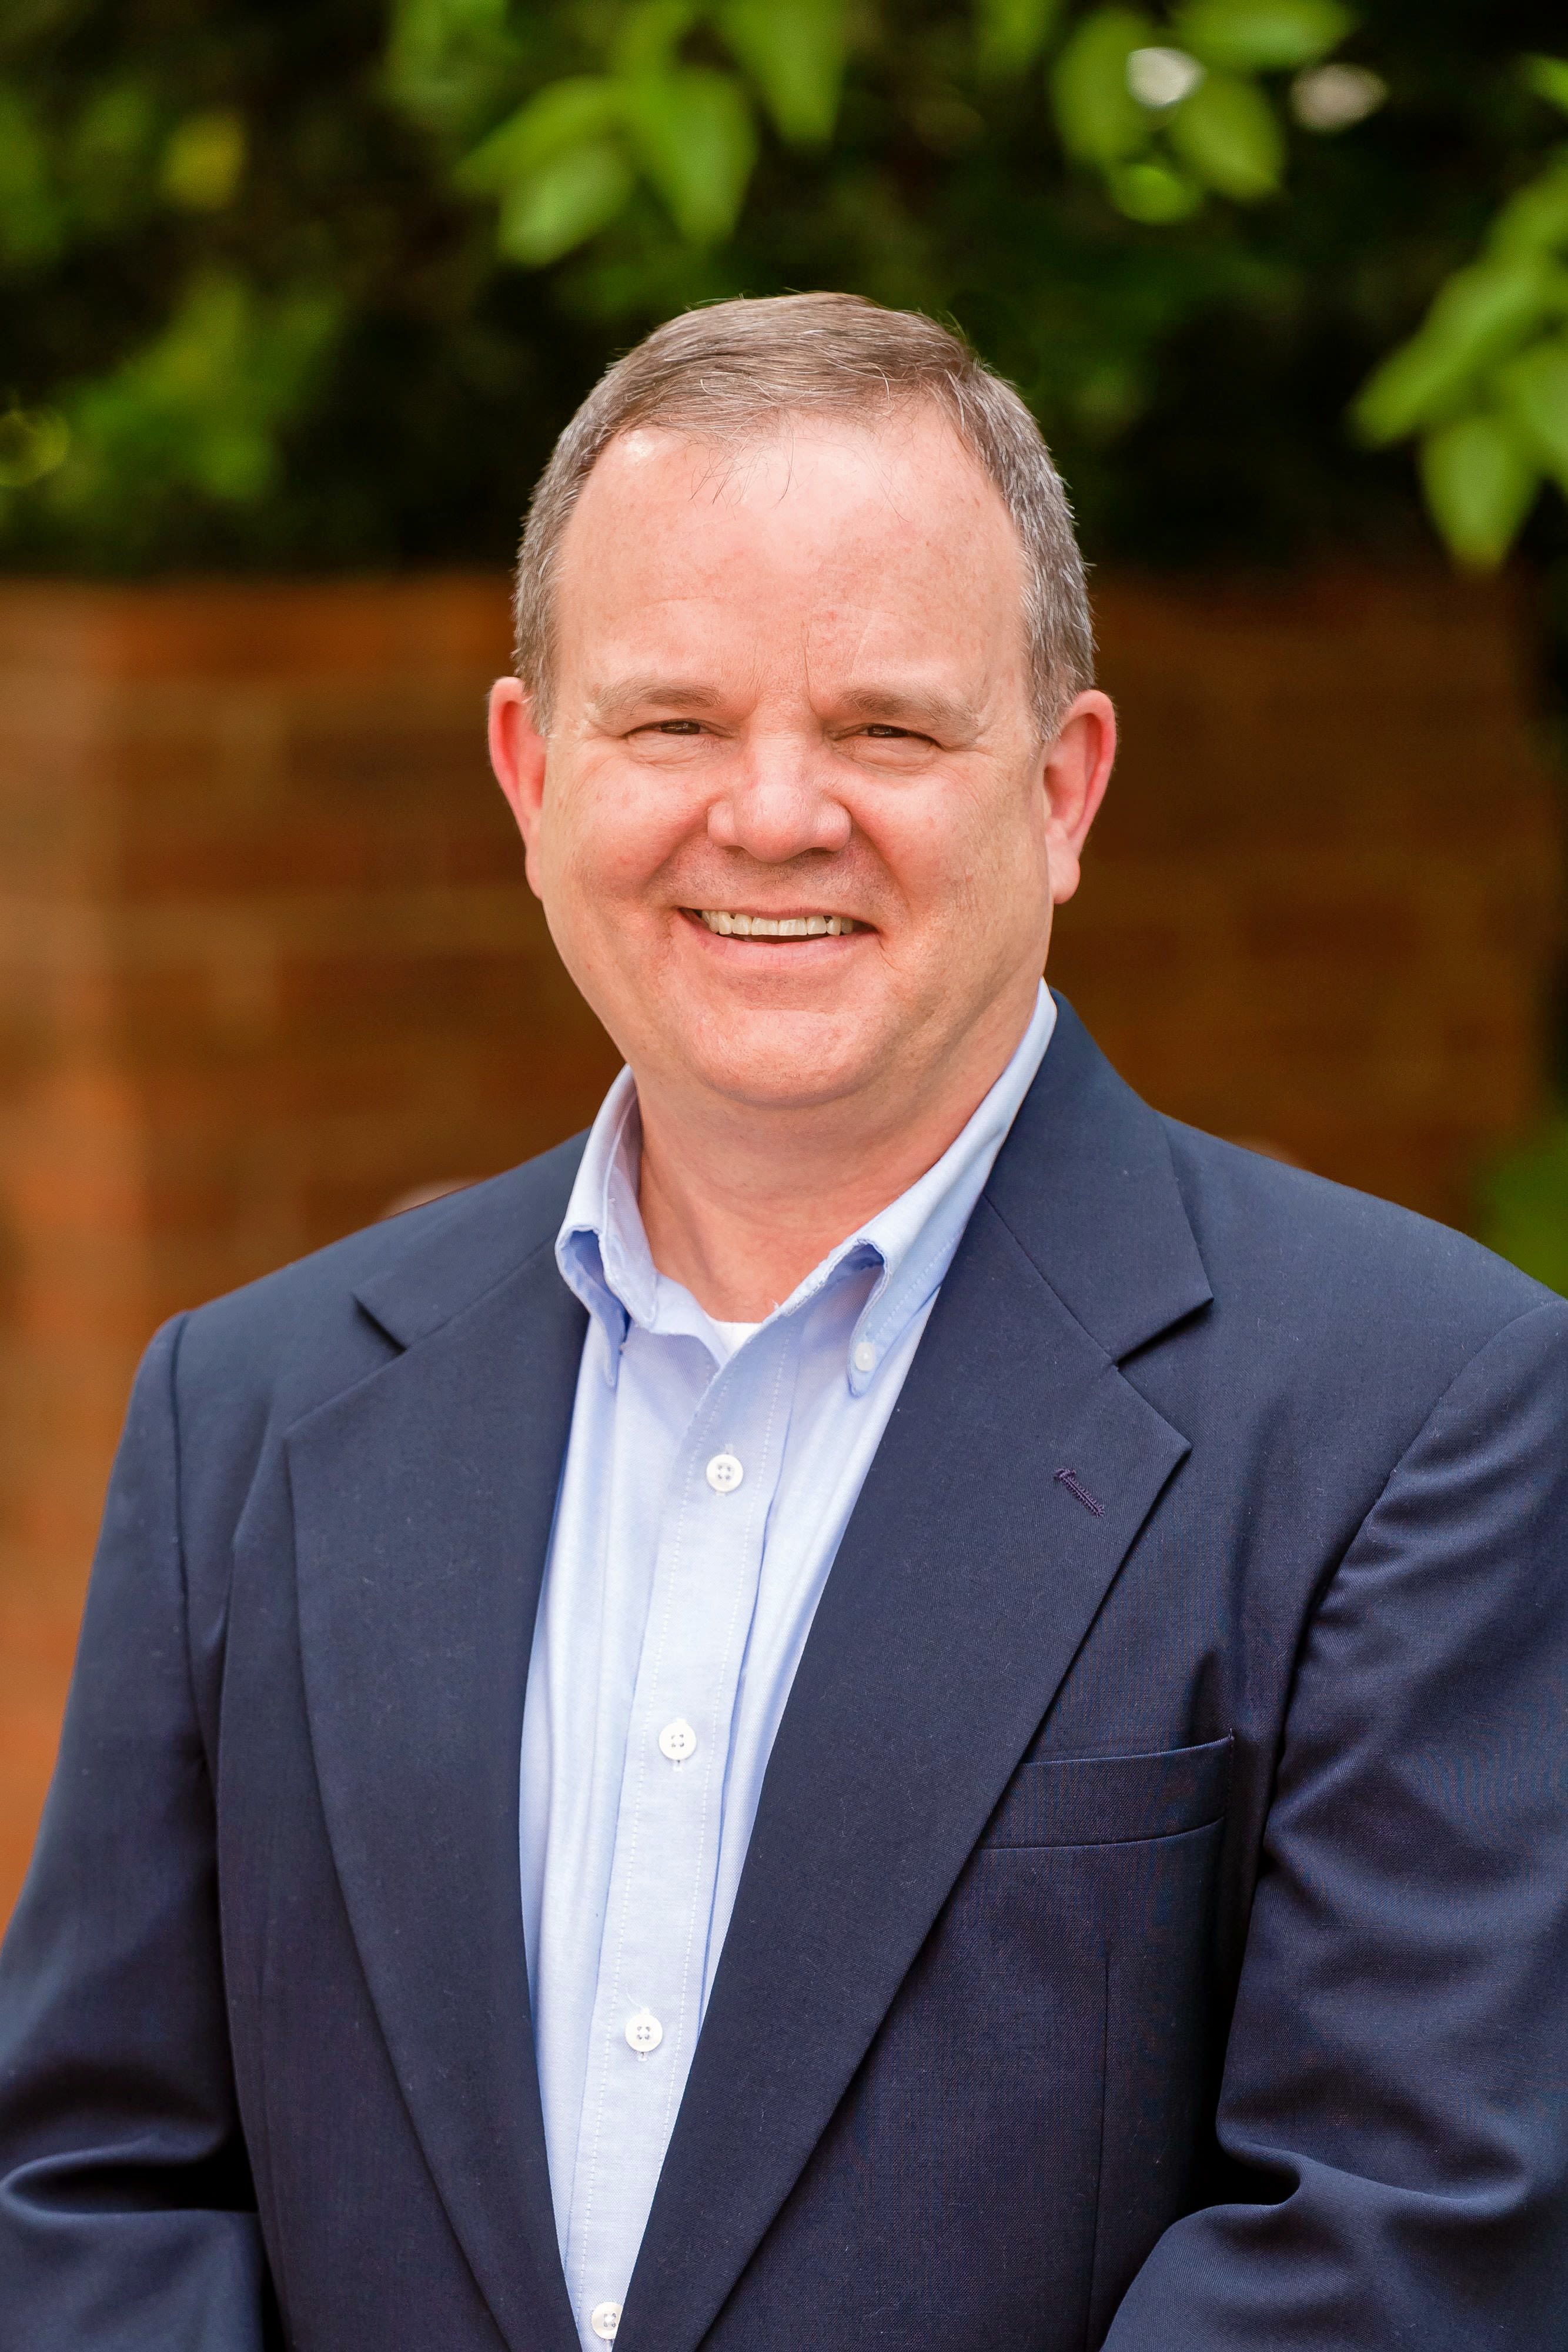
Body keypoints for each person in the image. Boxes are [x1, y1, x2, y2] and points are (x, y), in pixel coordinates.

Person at [1, 292, 1566, 2352]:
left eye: (886, 728)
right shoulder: (254, 1407)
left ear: (1065, 787)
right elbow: (94, 2200)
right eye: (672, 723)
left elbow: (1401, 2249)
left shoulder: (1419, 1410)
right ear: (530, 769)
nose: (770, 815)